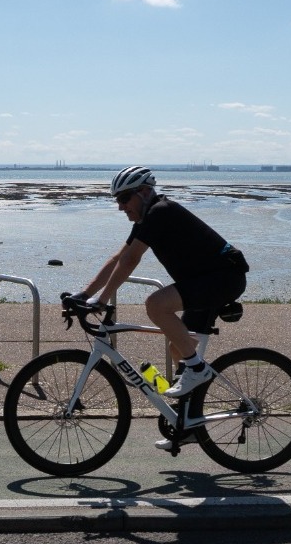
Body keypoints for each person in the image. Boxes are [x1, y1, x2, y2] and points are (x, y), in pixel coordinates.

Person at [74, 166, 247, 403]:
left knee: (156, 304)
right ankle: (186, 418)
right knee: (177, 348)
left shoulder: (161, 212)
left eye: (124, 198)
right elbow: (118, 258)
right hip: (206, 281)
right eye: (117, 200)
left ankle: (197, 370)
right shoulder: (147, 219)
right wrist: (84, 294)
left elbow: (131, 260)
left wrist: (102, 300)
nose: (120, 206)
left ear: (144, 192)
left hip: (224, 278)